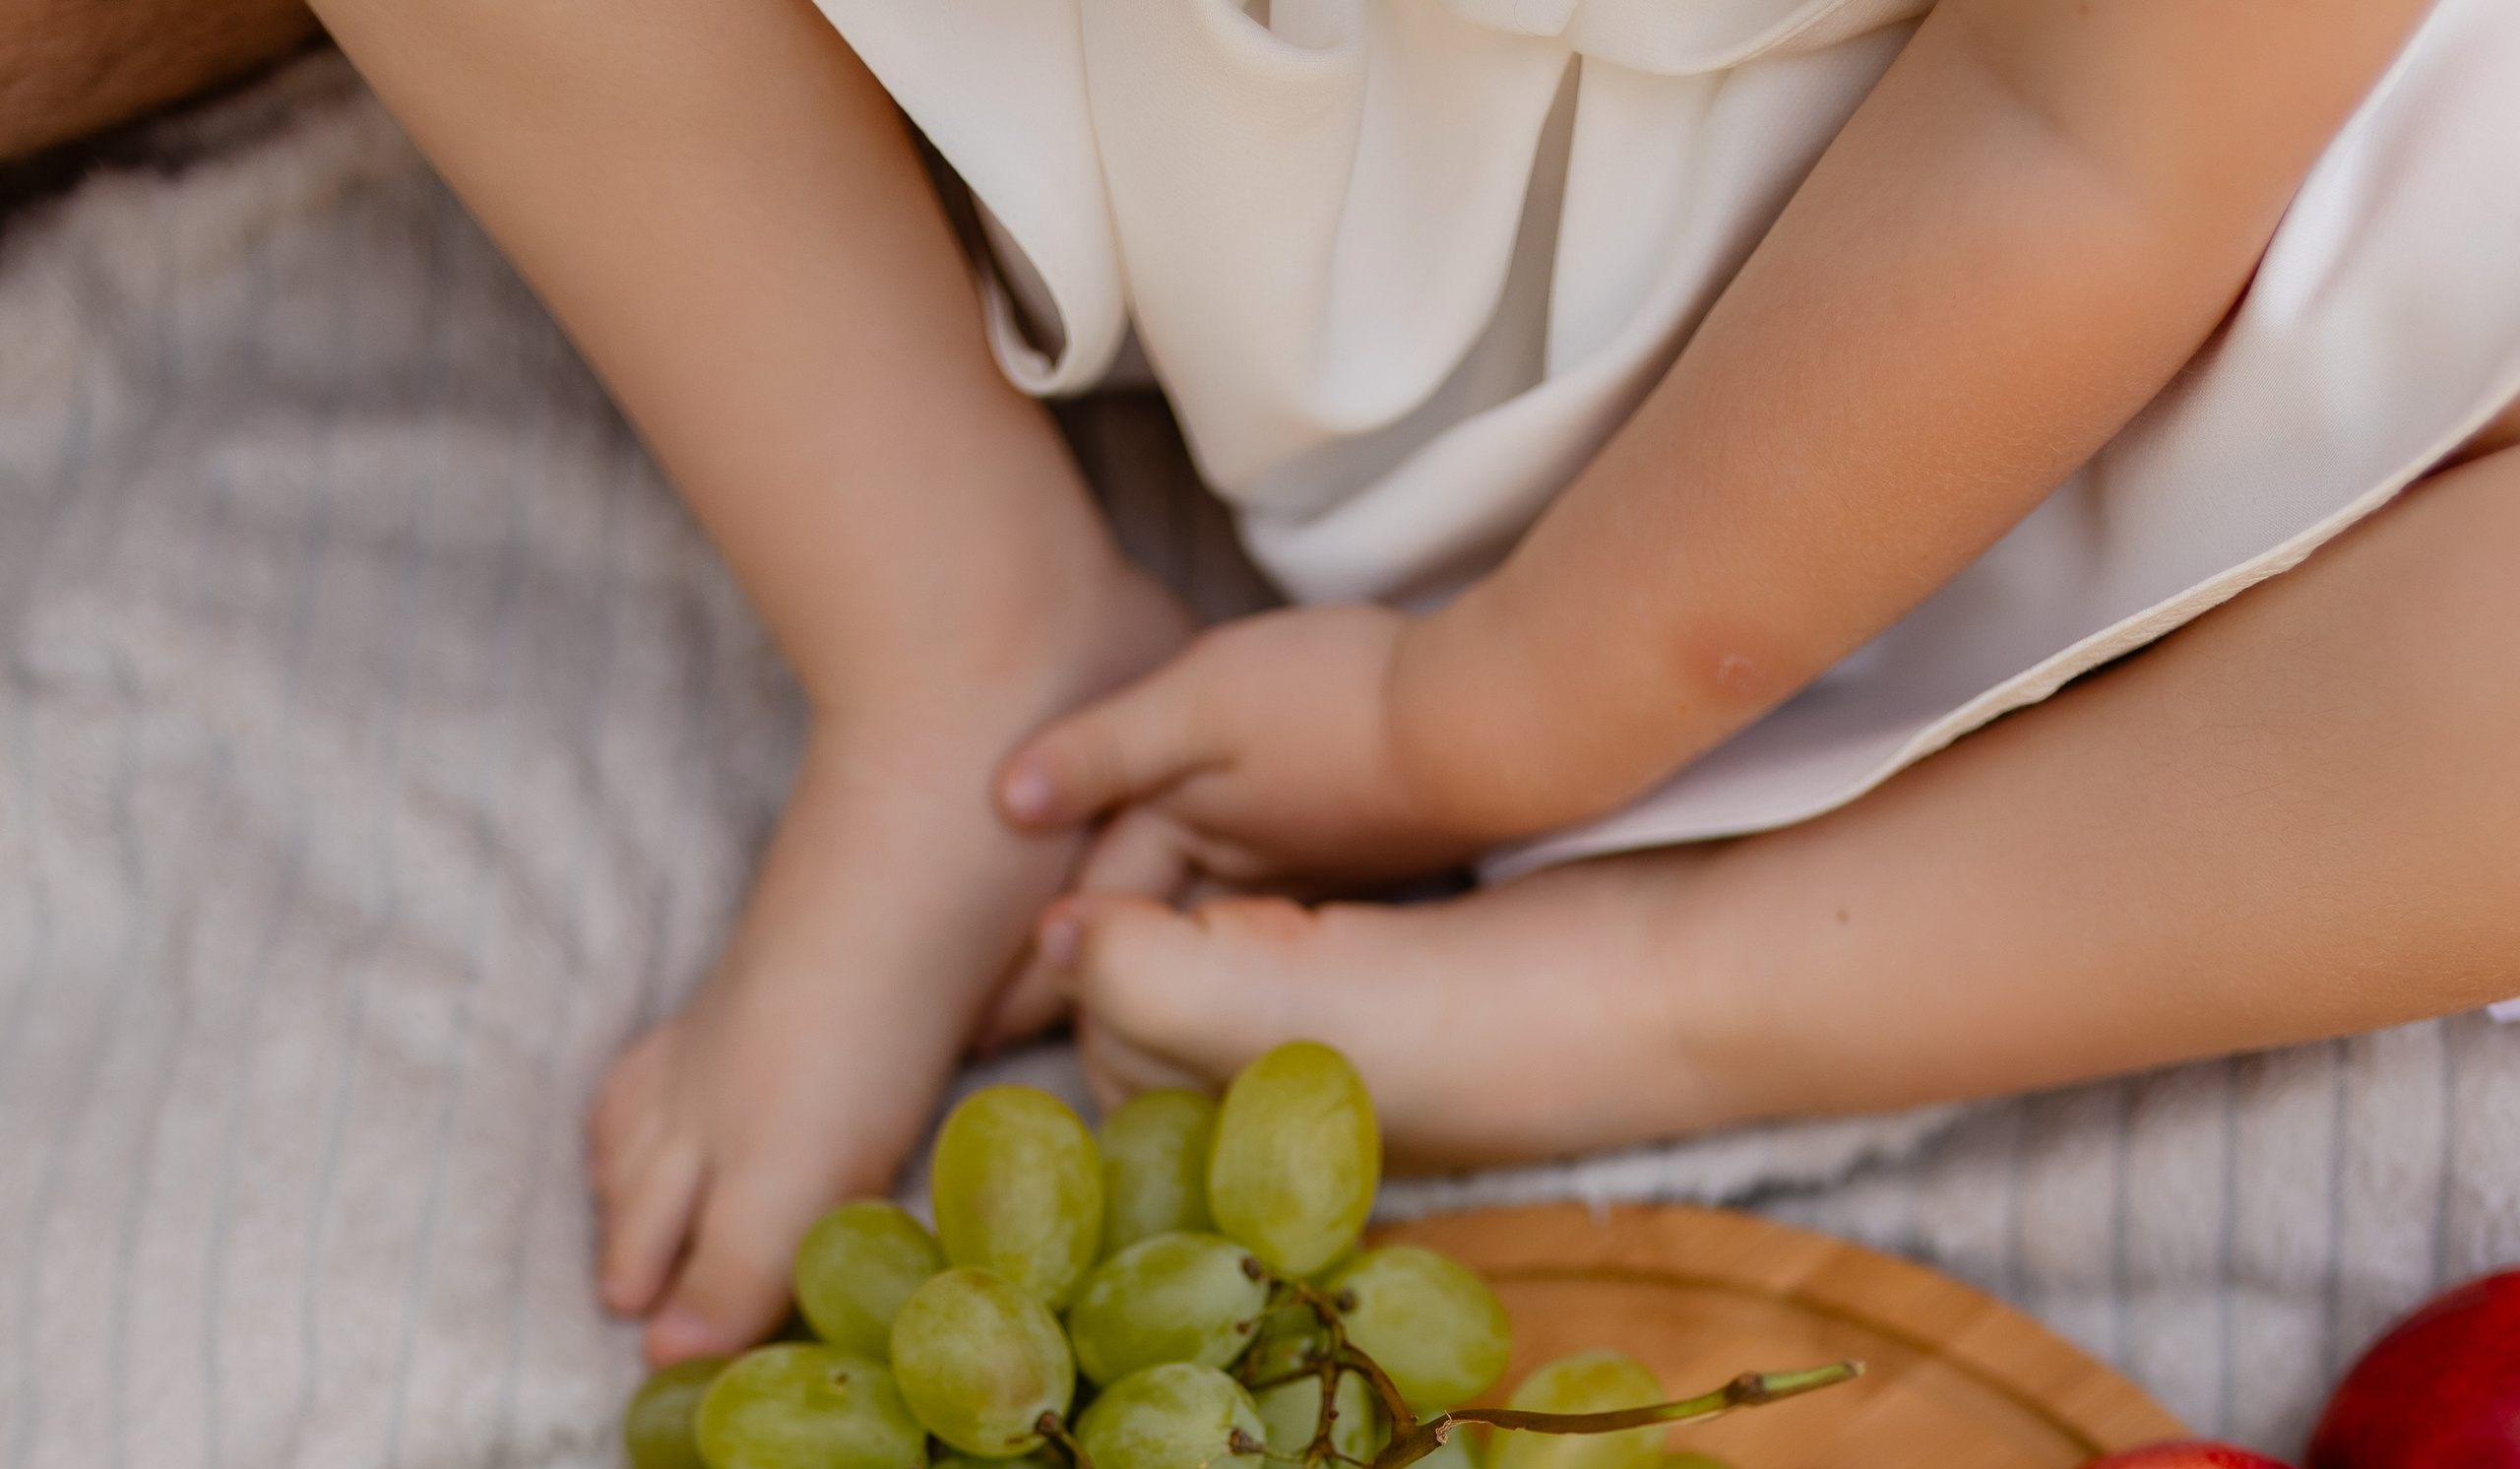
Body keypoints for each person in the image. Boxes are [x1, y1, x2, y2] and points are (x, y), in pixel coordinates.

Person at [223, 0, 2520, 1349]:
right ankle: (946, 612)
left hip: (2060, 275)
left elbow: (2088, 151)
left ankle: (1683, 988)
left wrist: (1493, 714)